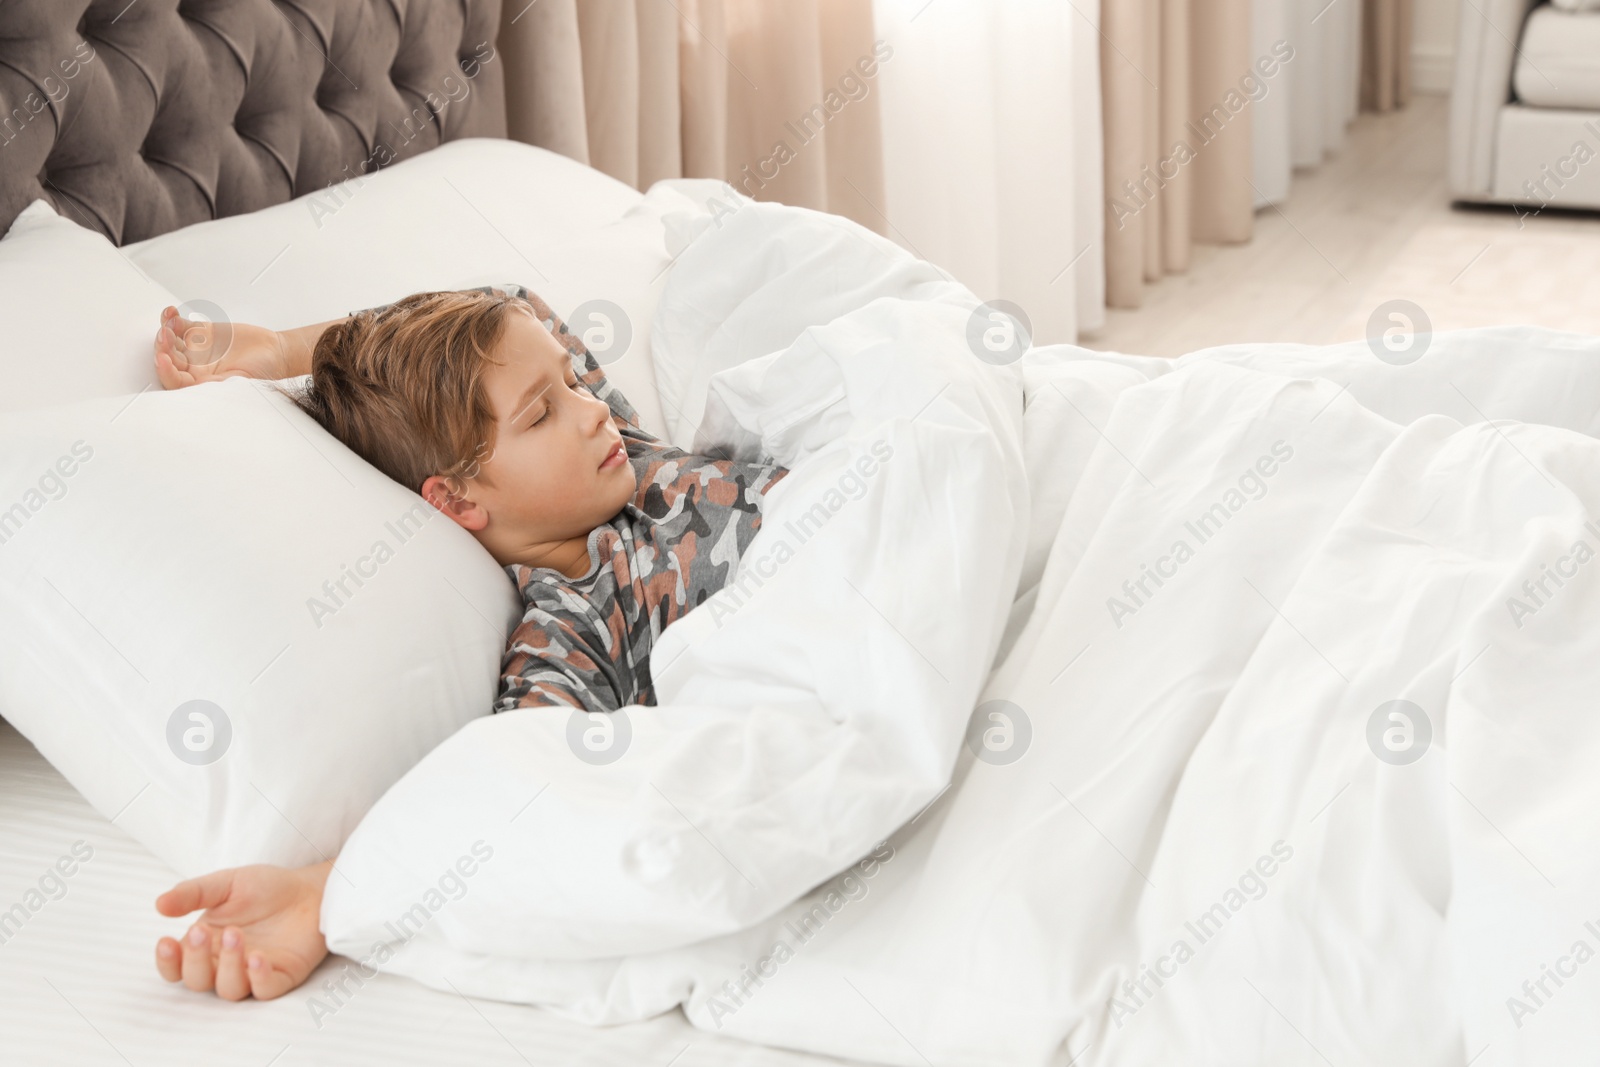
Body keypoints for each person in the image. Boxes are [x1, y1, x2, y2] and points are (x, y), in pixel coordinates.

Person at [146, 283, 789, 1000]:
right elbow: (511, 787)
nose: (594, 407)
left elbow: (501, 300)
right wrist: (329, 892)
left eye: (573, 381)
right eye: (543, 412)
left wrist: (284, 350)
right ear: (456, 500)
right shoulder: (573, 622)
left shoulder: (624, 458)